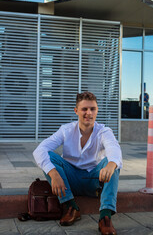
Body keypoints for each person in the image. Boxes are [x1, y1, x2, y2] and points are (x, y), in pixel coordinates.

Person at [33, 91, 122, 235]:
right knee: (49, 157)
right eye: (84, 109)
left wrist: (111, 164)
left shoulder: (104, 131)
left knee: (112, 162)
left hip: (93, 180)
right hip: (70, 180)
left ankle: (105, 216)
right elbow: (40, 150)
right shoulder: (66, 130)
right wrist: (53, 173)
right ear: (76, 111)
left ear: (97, 110)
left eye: (92, 109)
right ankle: (71, 206)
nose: (89, 113)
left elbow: (114, 149)